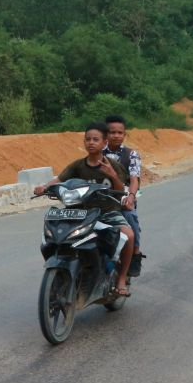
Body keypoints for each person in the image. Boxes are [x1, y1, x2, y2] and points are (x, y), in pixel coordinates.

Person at [34, 122, 135, 297]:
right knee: (54, 237)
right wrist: (44, 187)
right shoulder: (78, 165)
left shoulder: (112, 165)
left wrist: (111, 174)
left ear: (104, 143)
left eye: (95, 139)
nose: (91, 142)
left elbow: (121, 189)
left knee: (129, 236)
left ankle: (121, 279)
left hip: (107, 212)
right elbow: (59, 179)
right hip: (80, 213)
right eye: (88, 139)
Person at [103, 114, 145, 277]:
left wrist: (131, 197)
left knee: (130, 216)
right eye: (112, 132)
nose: (116, 135)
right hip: (102, 197)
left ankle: (135, 253)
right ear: (106, 134)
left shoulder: (131, 154)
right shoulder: (98, 151)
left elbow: (135, 179)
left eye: (120, 132)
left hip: (123, 196)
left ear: (124, 134)